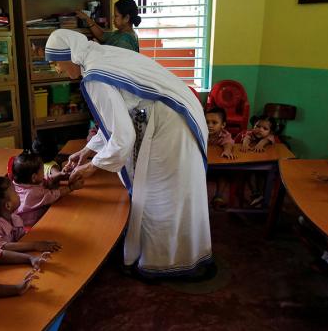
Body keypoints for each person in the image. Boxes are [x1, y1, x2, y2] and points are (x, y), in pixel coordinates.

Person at [46, 29, 213, 280]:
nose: (57, 70)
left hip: (171, 127)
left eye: (56, 63)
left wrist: (91, 168)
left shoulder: (94, 77)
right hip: (179, 118)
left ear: (68, 56)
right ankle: (180, 253)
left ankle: (163, 263)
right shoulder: (99, 55)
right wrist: (87, 150)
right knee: (176, 192)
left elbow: (123, 137)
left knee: (159, 194)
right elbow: (119, 118)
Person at [0, 176, 62, 252]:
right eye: (15, 191)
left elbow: (21, 239)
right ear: (8, 205)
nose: (18, 193)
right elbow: (1, 248)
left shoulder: (13, 218)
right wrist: (35, 245)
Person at [12, 150, 83, 227]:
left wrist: (61, 175)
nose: (44, 173)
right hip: (31, 225)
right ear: (34, 177)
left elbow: (45, 180)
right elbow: (53, 195)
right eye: (42, 171)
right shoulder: (32, 193)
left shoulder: (21, 182)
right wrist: (71, 187)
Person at [76, 0, 141, 52]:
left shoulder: (124, 41)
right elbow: (101, 35)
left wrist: (98, 47)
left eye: (116, 16)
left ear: (126, 18)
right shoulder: (120, 33)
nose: (113, 18)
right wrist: (87, 19)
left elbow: (114, 62)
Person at [205, 107, 234, 209]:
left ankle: (218, 196)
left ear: (223, 125)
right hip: (203, 166)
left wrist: (227, 150)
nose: (210, 126)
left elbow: (228, 143)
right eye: (207, 122)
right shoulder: (201, 133)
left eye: (214, 122)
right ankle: (198, 198)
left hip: (217, 167)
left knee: (224, 174)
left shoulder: (224, 134)